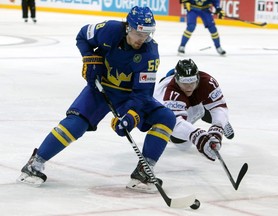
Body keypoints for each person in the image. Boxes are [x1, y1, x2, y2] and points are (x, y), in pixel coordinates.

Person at [17, 6, 176, 192]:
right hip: (100, 89)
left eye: (148, 33)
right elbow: (82, 36)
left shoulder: (149, 54)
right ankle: (35, 164)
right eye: (138, 33)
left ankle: (144, 170)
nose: (142, 39)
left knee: (166, 117)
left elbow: (142, 95)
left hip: (129, 97)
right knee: (76, 123)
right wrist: (90, 58)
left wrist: (131, 116)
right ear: (128, 27)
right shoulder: (108, 29)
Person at [153, 59, 234, 161]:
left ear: (198, 77)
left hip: (189, 100)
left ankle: (205, 110)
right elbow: (176, 124)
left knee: (212, 109)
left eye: (192, 81)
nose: (189, 86)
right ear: (176, 80)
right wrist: (197, 136)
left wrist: (218, 126)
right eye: (185, 83)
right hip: (172, 110)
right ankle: (202, 110)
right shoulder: (170, 94)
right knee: (181, 143)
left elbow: (219, 106)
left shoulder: (207, 81)